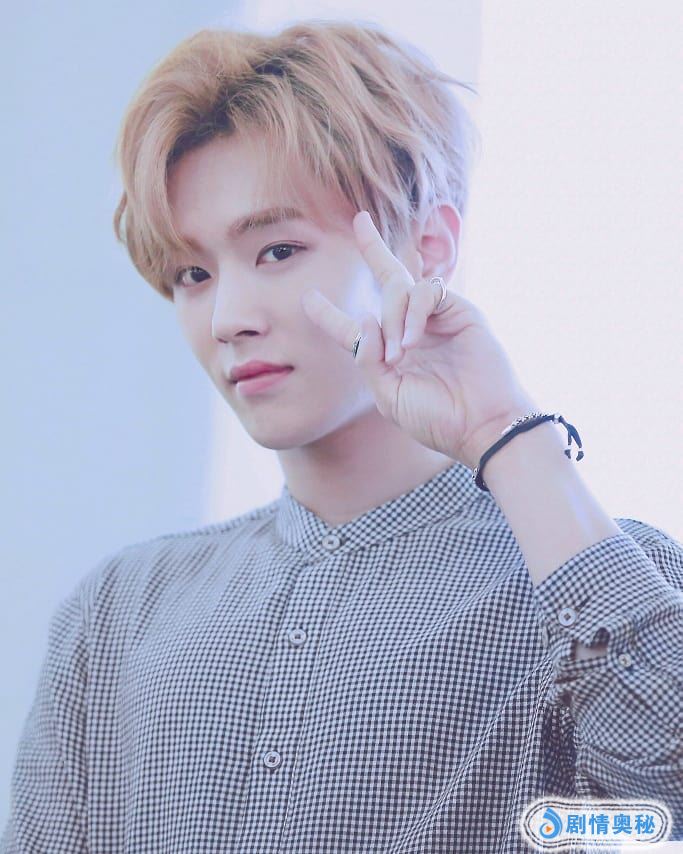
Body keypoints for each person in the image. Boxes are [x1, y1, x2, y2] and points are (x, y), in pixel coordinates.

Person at [2, 18, 682, 854]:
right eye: (193, 274)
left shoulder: (604, 591)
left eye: (278, 250)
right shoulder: (118, 613)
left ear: (427, 247)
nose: (227, 318)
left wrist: (504, 433)